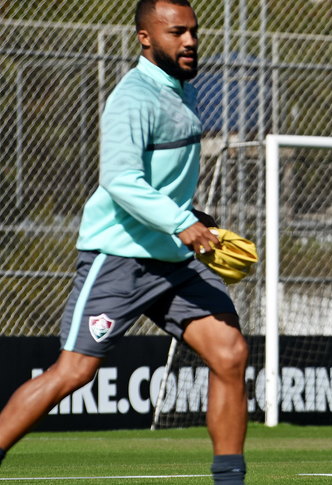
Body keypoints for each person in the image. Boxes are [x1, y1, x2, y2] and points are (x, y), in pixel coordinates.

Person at [0, 1, 248, 483]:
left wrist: (191, 216)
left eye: (193, 31)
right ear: (145, 38)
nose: (190, 41)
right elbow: (121, 179)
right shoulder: (133, 97)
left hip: (173, 259)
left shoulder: (185, 90)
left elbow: (161, 179)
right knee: (74, 371)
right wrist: (180, 221)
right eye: (176, 32)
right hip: (120, 257)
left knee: (230, 353)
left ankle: (230, 480)